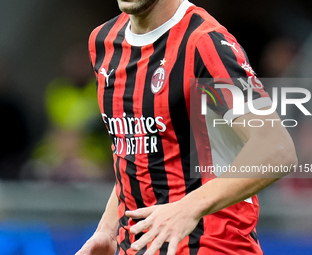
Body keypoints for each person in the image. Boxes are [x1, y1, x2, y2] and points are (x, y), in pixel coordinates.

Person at [76, 0, 297, 254]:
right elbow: (136, 150)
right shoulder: (103, 42)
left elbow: (277, 148)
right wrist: (107, 230)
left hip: (213, 246)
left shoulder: (204, 42)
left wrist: (188, 207)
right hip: (138, 246)